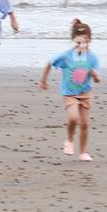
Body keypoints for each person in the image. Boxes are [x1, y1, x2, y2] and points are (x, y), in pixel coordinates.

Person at [40, 18, 102, 161]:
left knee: (85, 123)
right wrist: (44, 80)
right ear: (73, 40)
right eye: (79, 42)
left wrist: (95, 75)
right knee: (73, 118)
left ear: (90, 41)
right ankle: (69, 140)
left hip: (86, 93)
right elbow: (50, 62)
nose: (82, 45)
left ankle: (83, 152)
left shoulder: (92, 57)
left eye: (85, 42)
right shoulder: (66, 56)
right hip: (69, 93)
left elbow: (98, 79)